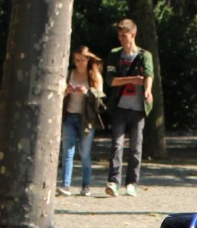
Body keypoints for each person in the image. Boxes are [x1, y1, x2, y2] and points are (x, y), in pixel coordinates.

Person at [104, 19, 154, 197]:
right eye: (119, 35)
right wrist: (132, 80)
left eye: (124, 35)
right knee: (116, 145)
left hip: (138, 108)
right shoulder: (114, 55)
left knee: (136, 147)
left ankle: (132, 182)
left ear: (133, 35)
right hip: (120, 106)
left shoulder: (144, 55)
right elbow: (111, 81)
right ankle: (113, 182)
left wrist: (147, 90)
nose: (121, 39)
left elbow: (148, 74)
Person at [58, 46, 105, 197]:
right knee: (67, 152)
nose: (79, 63)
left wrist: (87, 92)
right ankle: (65, 185)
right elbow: (59, 93)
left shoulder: (94, 76)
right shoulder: (69, 74)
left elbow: (100, 99)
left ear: (88, 60)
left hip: (86, 120)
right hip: (69, 117)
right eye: (77, 60)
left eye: (82, 60)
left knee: (85, 153)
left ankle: (86, 186)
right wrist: (66, 91)